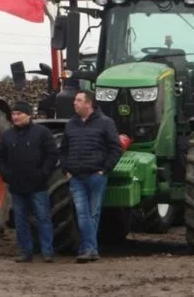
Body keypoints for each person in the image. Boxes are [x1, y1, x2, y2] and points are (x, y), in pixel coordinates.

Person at [59, 90, 123, 263]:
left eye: (78, 100)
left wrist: (104, 169)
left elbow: (116, 148)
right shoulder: (70, 124)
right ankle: (90, 249)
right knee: (83, 213)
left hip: (96, 176)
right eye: (75, 100)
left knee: (93, 213)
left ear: (89, 104)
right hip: (76, 177)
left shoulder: (105, 123)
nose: (74, 103)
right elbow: (63, 149)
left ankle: (87, 248)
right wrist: (66, 169)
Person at [0, 101, 59, 263]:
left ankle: (47, 252)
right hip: (17, 186)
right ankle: (25, 252)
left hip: (38, 186)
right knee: (20, 220)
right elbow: (0, 158)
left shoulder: (42, 133)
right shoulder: (8, 135)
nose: (15, 117)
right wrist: (7, 176)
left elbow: (52, 155)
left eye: (19, 114)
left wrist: (43, 173)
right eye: (14, 114)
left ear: (28, 115)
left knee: (43, 218)